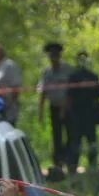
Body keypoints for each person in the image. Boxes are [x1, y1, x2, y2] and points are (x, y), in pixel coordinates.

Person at [36, 42, 73, 179]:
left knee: (70, 135)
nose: (54, 58)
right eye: (51, 56)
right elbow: (43, 92)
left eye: (56, 55)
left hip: (68, 108)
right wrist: (40, 111)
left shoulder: (68, 70)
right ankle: (58, 165)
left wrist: (66, 107)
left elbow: (71, 91)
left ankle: (69, 162)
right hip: (54, 107)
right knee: (56, 136)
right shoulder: (47, 72)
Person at [66, 52, 99, 173]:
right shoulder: (73, 77)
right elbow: (69, 96)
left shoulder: (92, 76)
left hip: (90, 115)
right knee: (75, 143)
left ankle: (92, 166)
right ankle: (73, 168)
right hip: (77, 115)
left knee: (92, 142)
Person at [0, 43, 23, 124]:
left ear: (1, 54)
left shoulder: (10, 65)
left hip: (8, 109)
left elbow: (16, 86)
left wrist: (9, 104)